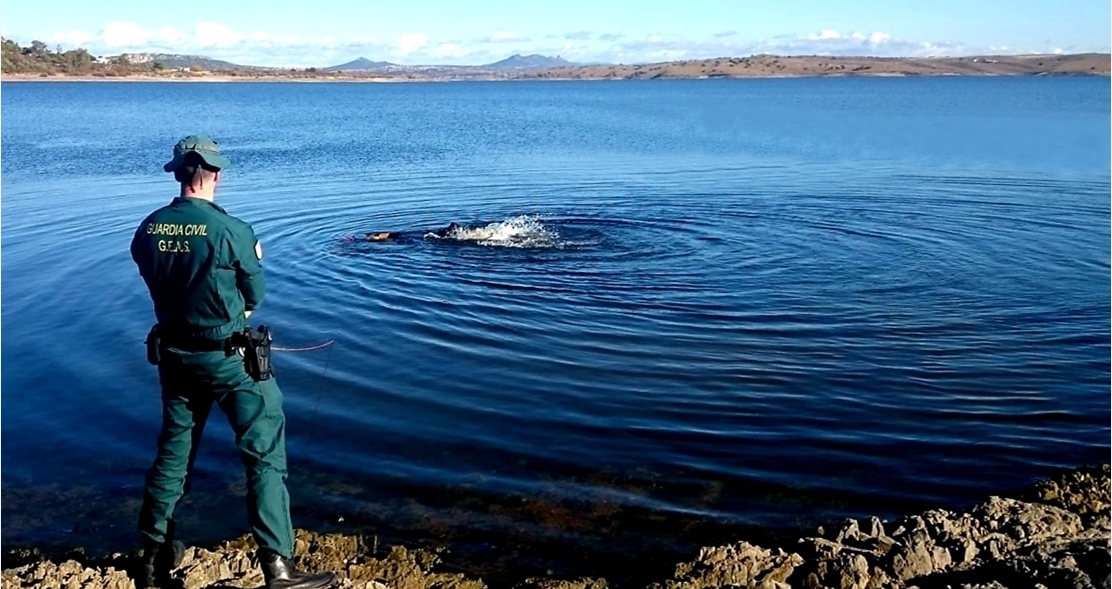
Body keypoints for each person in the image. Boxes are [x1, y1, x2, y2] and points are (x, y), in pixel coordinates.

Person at [130, 135, 336, 589]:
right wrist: (232, 315)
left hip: (174, 358)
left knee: (173, 451)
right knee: (264, 456)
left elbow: (155, 280)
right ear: (216, 175)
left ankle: (151, 558)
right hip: (230, 361)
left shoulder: (148, 228)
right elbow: (254, 295)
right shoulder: (233, 230)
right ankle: (278, 568)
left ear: (177, 173)